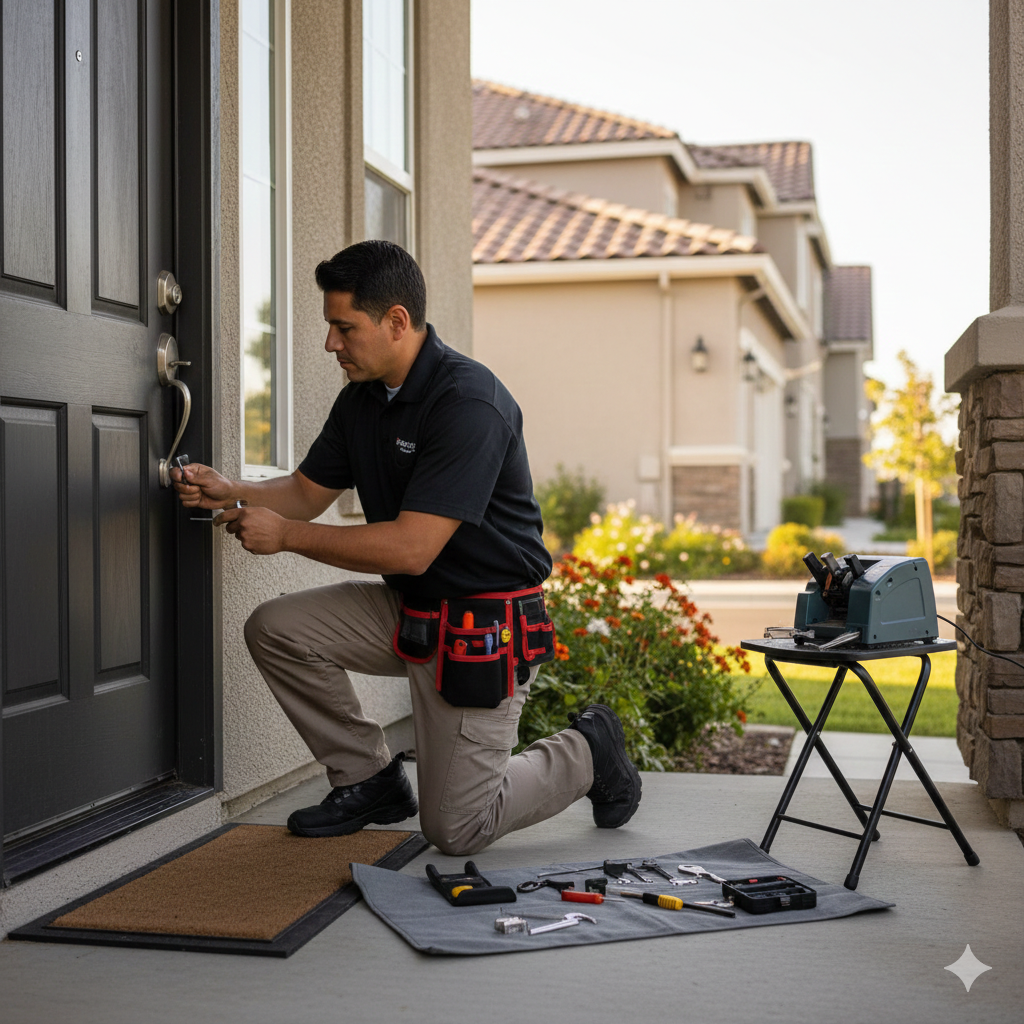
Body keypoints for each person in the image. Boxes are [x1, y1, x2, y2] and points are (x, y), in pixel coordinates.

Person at [173, 240, 641, 855]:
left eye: (345, 328)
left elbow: (412, 548)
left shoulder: (468, 403)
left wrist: (283, 537)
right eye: (330, 327)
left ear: (397, 321)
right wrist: (229, 490)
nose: (331, 344)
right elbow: (308, 491)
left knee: (457, 829)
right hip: (412, 612)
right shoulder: (364, 400)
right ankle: (370, 778)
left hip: (481, 627)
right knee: (276, 627)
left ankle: (589, 749)